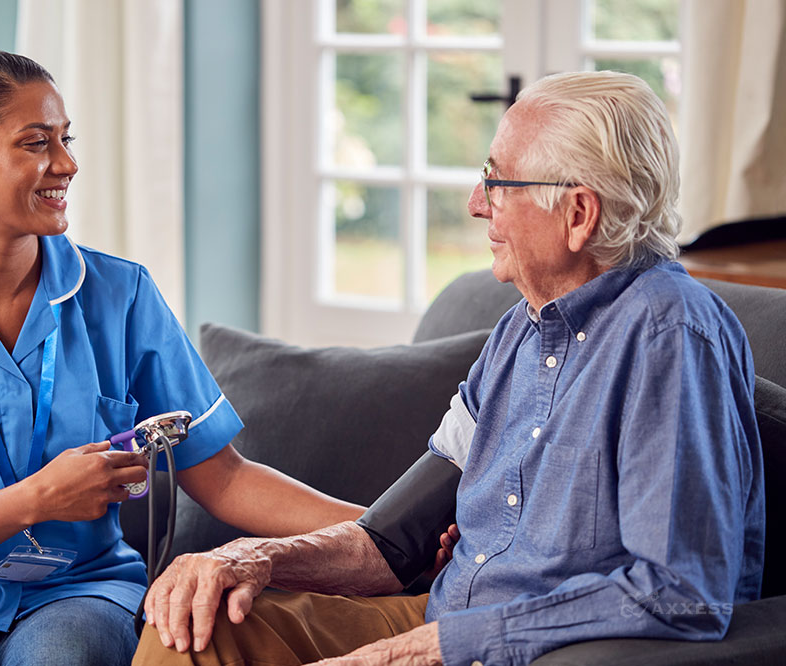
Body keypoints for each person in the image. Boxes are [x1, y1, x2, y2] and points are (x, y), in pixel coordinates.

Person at [134, 70, 766, 666]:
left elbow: (681, 591)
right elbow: (391, 542)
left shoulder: (670, 336)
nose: (474, 203)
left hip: (533, 648)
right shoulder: (519, 329)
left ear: (577, 214)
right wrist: (253, 558)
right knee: (193, 626)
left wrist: (432, 647)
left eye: (497, 181)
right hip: (437, 616)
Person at [0, 50, 373, 666]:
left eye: (64, 139)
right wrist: (41, 497)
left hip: (77, 586)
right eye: (35, 143)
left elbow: (223, 478)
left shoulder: (122, 293)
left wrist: (386, 530)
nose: (66, 164)